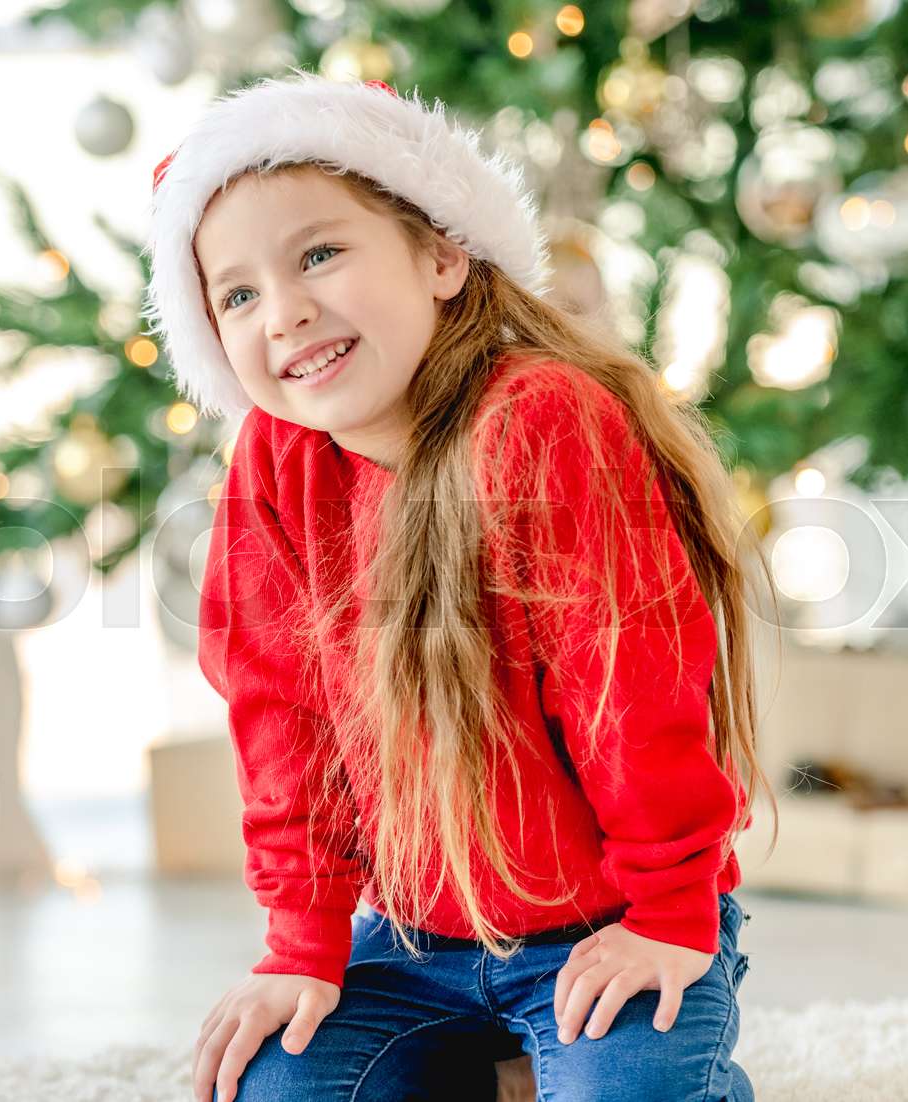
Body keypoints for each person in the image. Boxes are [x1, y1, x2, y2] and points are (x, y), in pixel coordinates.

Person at [143, 69, 777, 1102]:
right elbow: (281, 714)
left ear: (442, 254)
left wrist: (667, 912)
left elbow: (633, 683)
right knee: (274, 1089)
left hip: (609, 916)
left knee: (634, 1091)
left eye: (319, 254)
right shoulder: (276, 460)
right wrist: (301, 942)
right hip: (411, 937)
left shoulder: (541, 418)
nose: (287, 312)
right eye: (239, 293)